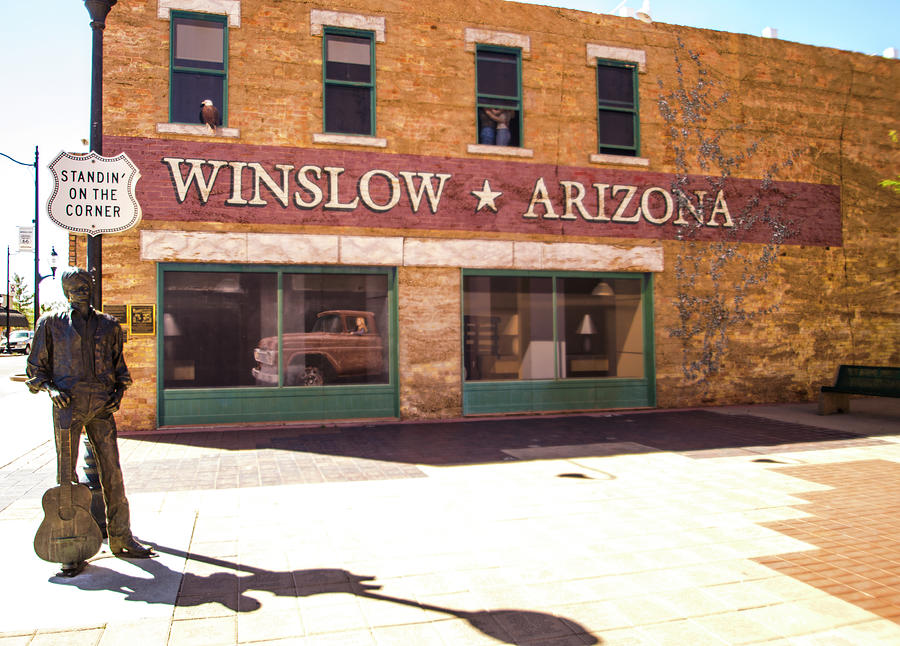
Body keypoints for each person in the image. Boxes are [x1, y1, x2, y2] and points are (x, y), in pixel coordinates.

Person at [26, 267, 153, 575]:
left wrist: (118, 394)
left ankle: (121, 537)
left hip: (101, 406)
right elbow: (35, 371)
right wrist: (52, 389)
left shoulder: (109, 325)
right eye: (74, 286)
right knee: (66, 477)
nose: (81, 290)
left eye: (85, 285)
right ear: (65, 290)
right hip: (68, 405)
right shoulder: (50, 324)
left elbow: (120, 369)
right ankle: (69, 547)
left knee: (112, 471)